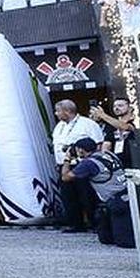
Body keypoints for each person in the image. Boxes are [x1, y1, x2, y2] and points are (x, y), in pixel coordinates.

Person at [62, 137, 134, 248]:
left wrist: (67, 160)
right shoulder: (109, 154)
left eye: (77, 149)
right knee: (107, 237)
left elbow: (65, 177)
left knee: (124, 241)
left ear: (81, 150)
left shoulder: (88, 164)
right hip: (128, 194)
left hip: (116, 201)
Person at [51, 99, 103, 232]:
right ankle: (76, 223)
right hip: (64, 165)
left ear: (67, 111)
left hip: (82, 166)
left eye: (58, 111)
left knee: (87, 195)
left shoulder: (88, 124)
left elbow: (98, 145)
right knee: (68, 196)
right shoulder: (59, 126)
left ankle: (96, 223)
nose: (56, 114)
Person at [92, 97, 136, 169]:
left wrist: (102, 115)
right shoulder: (111, 125)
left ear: (130, 108)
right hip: (117, 161)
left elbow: (124, 127)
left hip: (135, 159)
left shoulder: (136, 120)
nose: (116, 108)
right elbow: (107, 144)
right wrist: (105, 161)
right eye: (114, 106)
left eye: (120, 105)